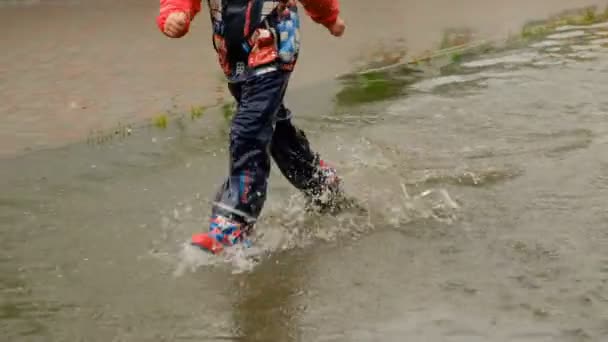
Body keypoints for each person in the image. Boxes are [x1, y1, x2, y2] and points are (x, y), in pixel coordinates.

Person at [157, 0, 346, 254]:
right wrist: (174, 14)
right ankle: (318, 181)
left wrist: (329, 17)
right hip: (235, 54)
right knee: (276, 132)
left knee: (249, 129)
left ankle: (236, 220)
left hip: (274, 42)